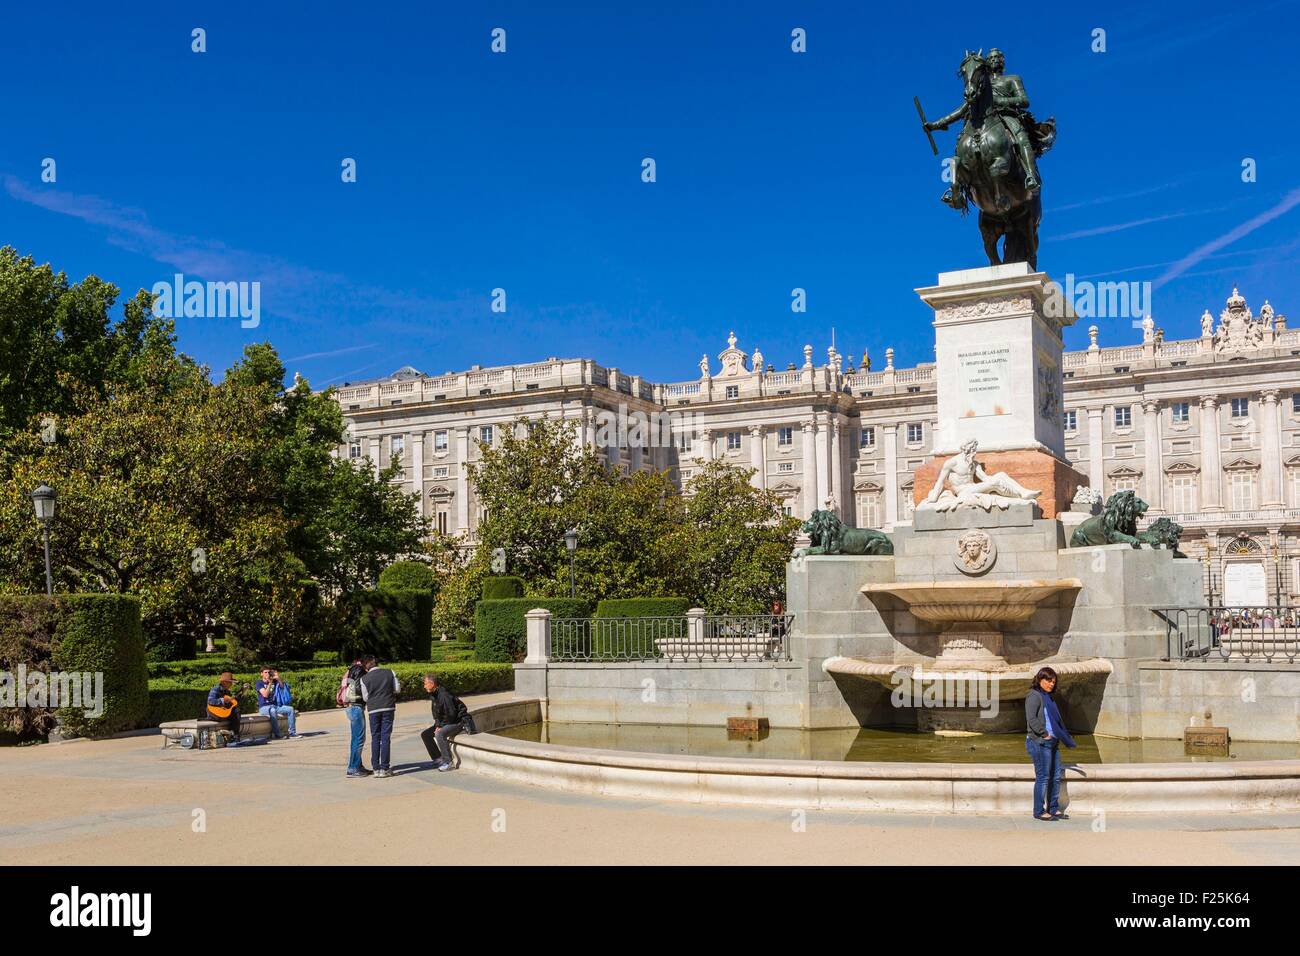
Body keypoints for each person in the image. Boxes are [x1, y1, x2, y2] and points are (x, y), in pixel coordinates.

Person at [1024, 666, 1076, 821]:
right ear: (1040, 679)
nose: (1051, 684)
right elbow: (1031, 718)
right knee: (1043, 777)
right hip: (1040, 742)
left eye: (1053, 681)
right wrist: (1044, 733)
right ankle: (1038, 811)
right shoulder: (1034, 696)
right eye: (1048, 680)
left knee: (1055, 777)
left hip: (1053, 742)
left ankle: (1053, 808)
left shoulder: (1048, 697)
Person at [419, 673, 473, 772]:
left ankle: (448, 762)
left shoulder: (444, 695)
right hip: (447, 722)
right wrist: (438, 724)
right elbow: (436, 713)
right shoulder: (434, 694)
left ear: (432, 683)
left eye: (426, 683)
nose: (424, 686)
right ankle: (438, 759)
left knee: (439, 734)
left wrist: (441, 726)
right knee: (426, 734)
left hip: (458, 722)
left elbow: (451, 714)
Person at [358, 656, 400, 778]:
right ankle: (385, 768)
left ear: (366, 667)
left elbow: (365, 698)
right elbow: (397, 689)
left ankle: (376, 768)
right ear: (377, 663)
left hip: (373, 709)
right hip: (388, 707)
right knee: (386, 737)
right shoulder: (390, 672)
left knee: (375, 737)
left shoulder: (363, 679)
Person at [337, 658, 371, 777]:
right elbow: (357, 689)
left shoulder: (350, 672)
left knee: (355, 739)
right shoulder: (358, 670)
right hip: (356, 707)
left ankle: (357, 765)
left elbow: (349, 689)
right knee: (359, 739)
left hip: (351, 707)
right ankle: (353, 768)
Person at [255, 667, 299, 739]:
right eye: (265, 672)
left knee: (290, 709)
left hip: (275, 705)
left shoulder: (274, 681)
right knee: (273, 710)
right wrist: (270, 683)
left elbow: (282, 687)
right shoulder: (259, 683)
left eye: (269, 672)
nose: (267, 674)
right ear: (261, 674)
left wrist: (278, 678)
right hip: (264, 707)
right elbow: (265, 694)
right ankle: (277, 735)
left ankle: (292, 733)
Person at [205, 671, 242, 744]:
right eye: (230, 682)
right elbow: (210, 701)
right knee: (236, 713)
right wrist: (222, 700)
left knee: (236, 710)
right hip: (213, 714)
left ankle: (233, 735)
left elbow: (231, 703)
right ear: (224, 682)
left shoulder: (227, 692)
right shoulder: (215, 689)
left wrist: (238, 697)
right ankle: (235, 735)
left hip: (223, 713)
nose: (231, 684)